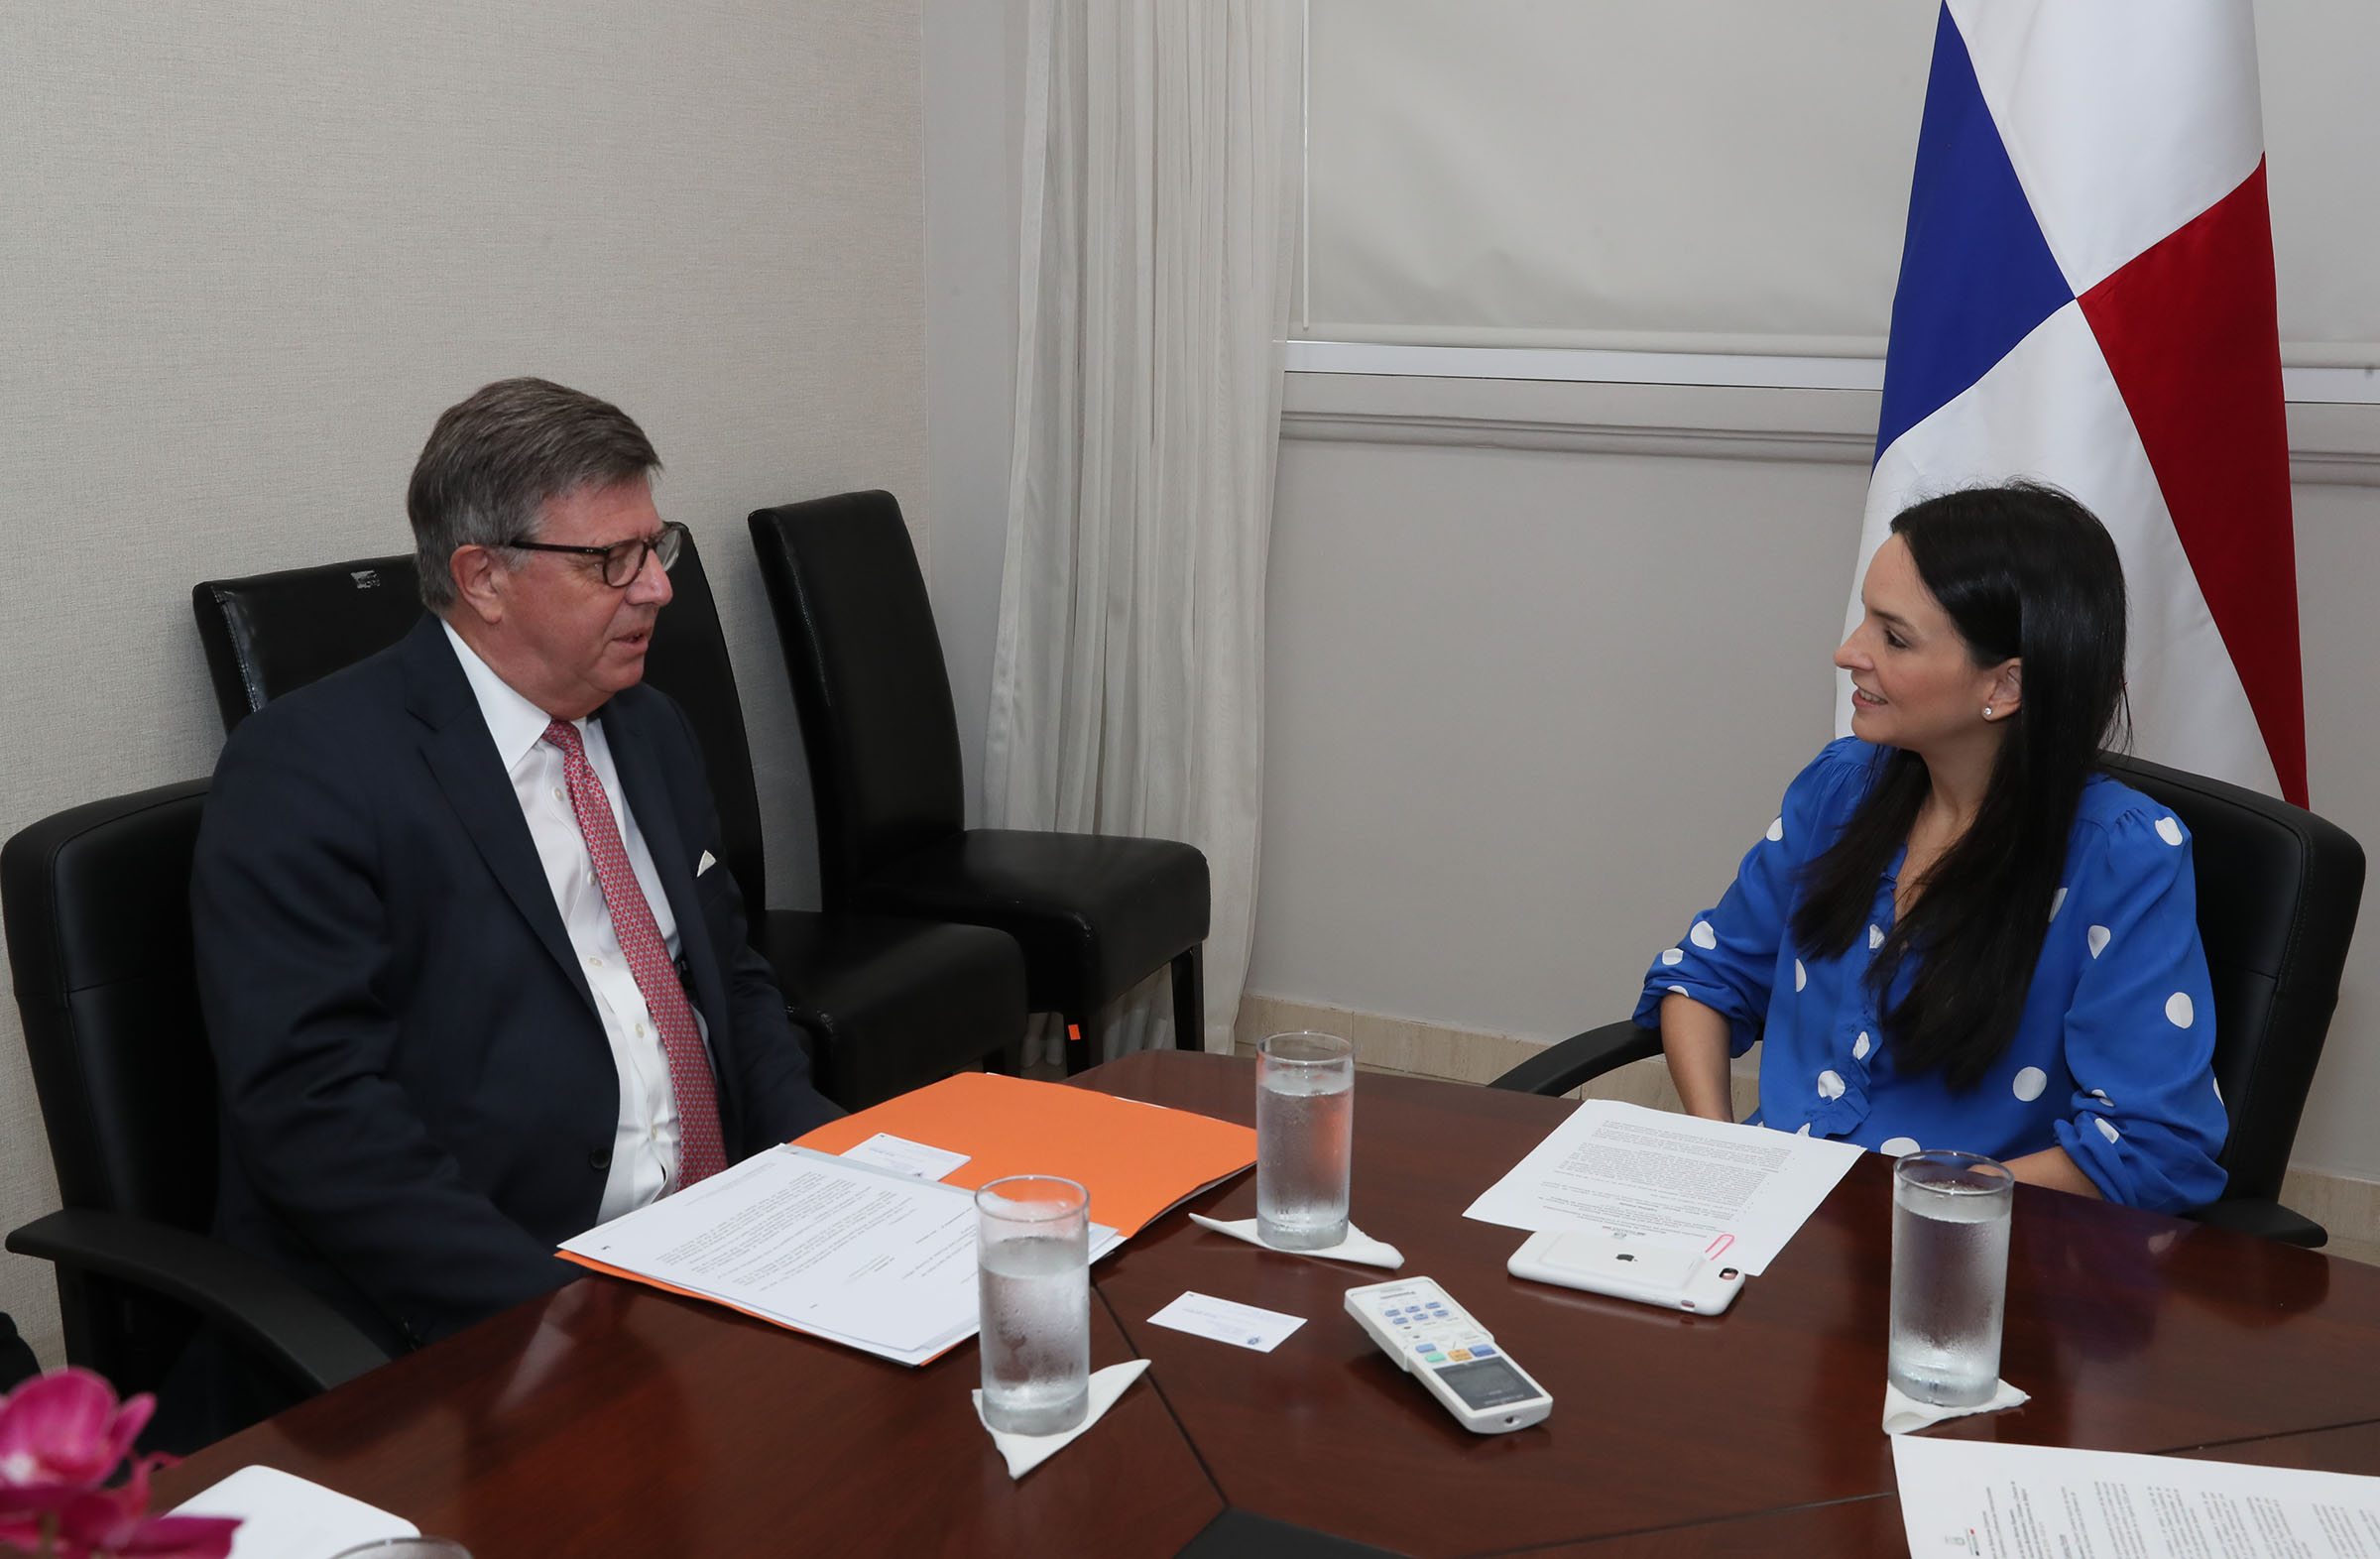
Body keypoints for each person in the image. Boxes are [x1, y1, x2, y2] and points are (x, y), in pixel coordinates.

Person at [192, 377, 842, 1363]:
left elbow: (731, 979)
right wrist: (564, 1320)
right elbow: (318, 1118)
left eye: (655, 547)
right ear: (483, 578)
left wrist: (832, 1164)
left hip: (703, 1249)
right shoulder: (307, 771)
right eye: (612, 560)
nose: (658, 588)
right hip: (494, 1299)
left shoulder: (651, 727)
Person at [1639, 482, 2226, 1213]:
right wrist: (1721, 1152)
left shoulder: (2123, 856)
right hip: (1772, 1219)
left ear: (2005, 685)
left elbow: (2150, 1145)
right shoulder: (1840, 788)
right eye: (1865, 619)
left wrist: (1901, 1207)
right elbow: (1707, 976)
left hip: (1962, 1247)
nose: (1848, 653)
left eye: (1894, 637)